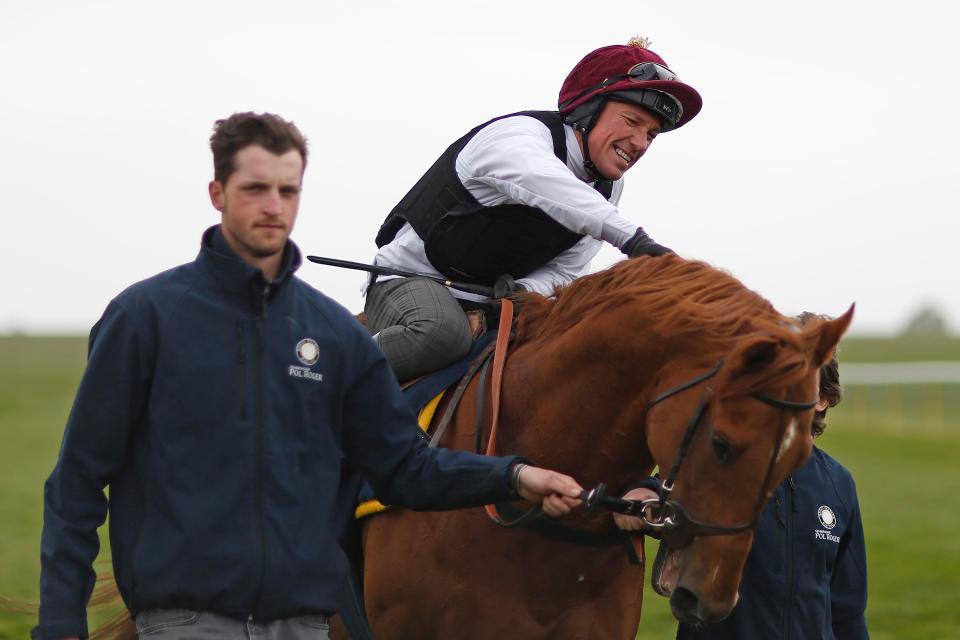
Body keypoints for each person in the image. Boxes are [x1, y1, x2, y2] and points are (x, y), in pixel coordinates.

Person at [33, 112, 584, 640]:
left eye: (288, 191)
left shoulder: (335, 334)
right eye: (255, 189)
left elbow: (405, 468)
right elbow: (77, 481)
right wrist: (60, 624)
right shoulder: (144, 318)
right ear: (217, 194)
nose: (273, 206)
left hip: (306, 625)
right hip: (186, 622)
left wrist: (514, 477)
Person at [364, 37, 703, 381]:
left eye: (652, 134)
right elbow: (550, 186)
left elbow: (565, 271)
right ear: (587, 108)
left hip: (486, 307)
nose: (640, 143)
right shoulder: (517, 137)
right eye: (632, 121)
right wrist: (639, 244)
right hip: (407, 281)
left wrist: (521, 295)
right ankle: (323, 368)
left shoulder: (608, 189)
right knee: (441, 334)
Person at [616, 313, 870, 639]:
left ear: (823, 398)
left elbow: (848, 610)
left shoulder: (839, 483)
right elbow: (671, 488)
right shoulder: (725, 463)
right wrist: (643, 493)